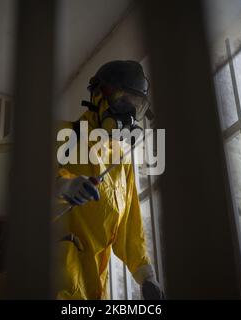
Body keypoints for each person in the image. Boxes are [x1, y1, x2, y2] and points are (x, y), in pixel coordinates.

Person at [54, 60, 163, 300]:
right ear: (98, 97)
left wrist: (147, 277)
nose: (130, 115)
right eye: (123, 101)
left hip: (91, 293)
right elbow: (20, 191)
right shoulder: (60, 137)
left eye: (137, 107)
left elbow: (130, 230)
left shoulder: (121, 165)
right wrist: (61, 186)